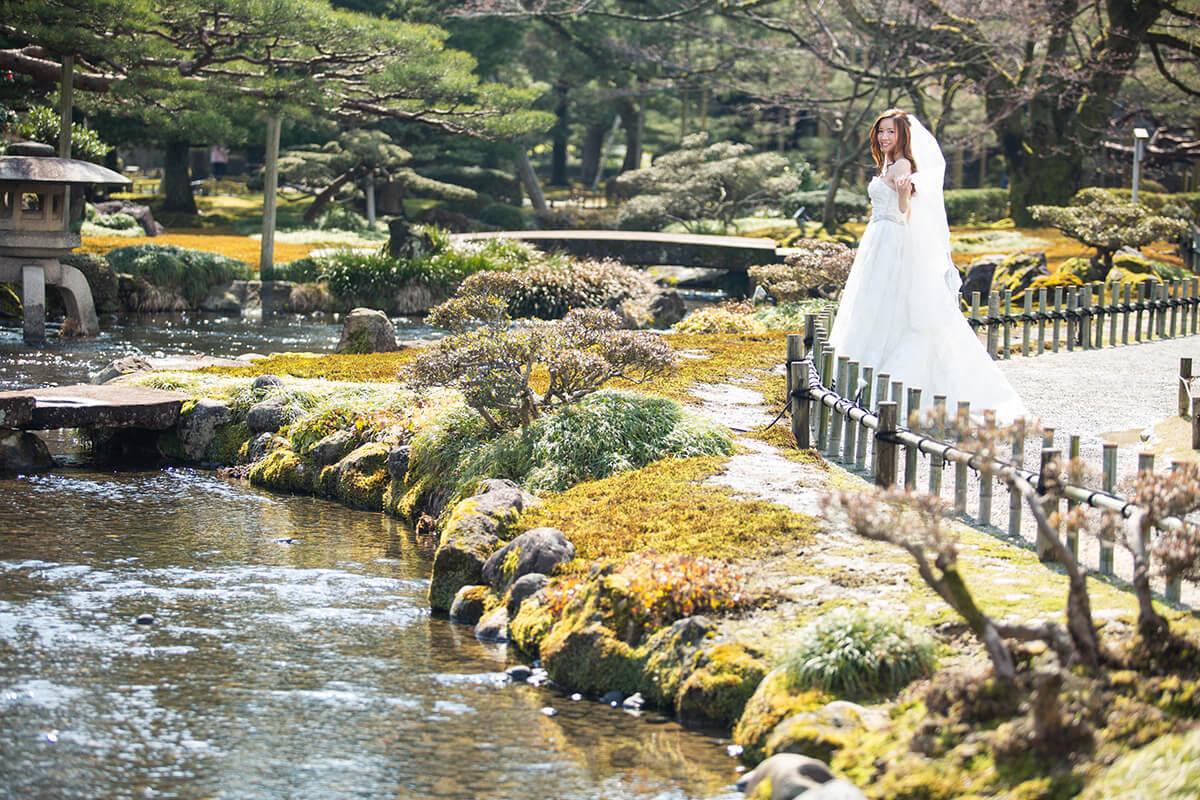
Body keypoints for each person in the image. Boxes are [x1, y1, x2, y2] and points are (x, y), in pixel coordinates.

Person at [829, 108, 1025, 423]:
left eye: (891, 132)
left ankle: (876, 376)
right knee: (872, 301)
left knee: (888, 302)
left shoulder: (903, 164)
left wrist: (906, 190)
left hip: (892, 238)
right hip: (877, 237)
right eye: (881, 132)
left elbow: (905, 209)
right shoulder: (888, 163)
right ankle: (861, 370)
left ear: (903, 135)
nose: (884, 137)